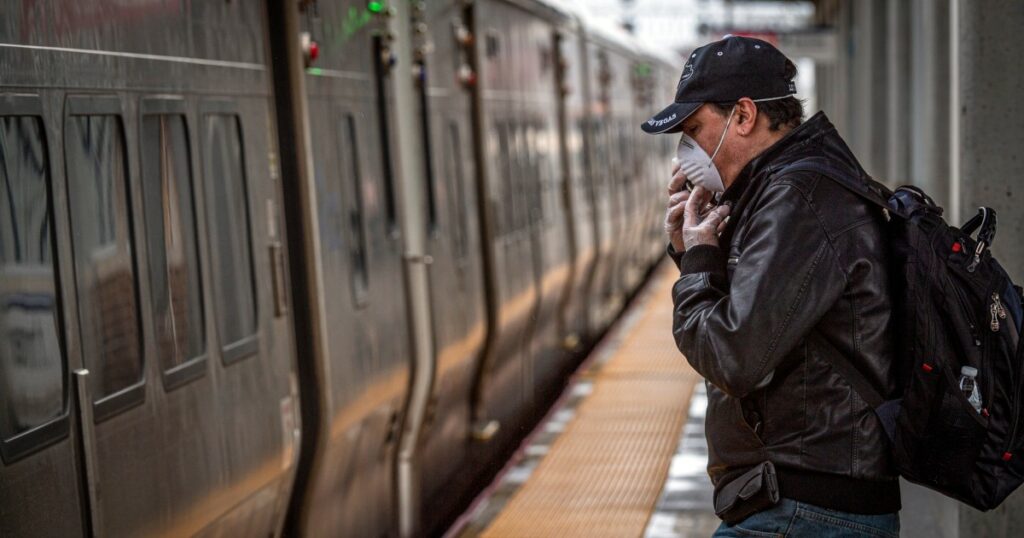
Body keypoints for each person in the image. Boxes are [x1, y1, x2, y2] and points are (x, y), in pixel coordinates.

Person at [640, 36, 901, 537]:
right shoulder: (788, 189)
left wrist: (698, 261)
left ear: (742, 116)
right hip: (804, 501)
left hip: (807, 509)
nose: (685, 151)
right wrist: (692, 250)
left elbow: (732, 356)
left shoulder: (796, 200)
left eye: (694, 129)